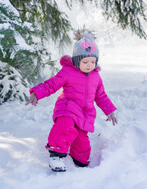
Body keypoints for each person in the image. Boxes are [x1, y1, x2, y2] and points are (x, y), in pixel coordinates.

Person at [26, 29, 118, 172]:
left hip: (85, 113)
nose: (89, 65)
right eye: (85, 61)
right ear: (76, 60)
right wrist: (36, 93)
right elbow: (52, 84)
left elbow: (101, 96)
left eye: (93, 61)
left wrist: (110, 111)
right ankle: (56, 154)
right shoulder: (68, 72)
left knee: (82, 145)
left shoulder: (96, 77)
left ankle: (78, 158)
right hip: (67, 107)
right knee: (65, 126)